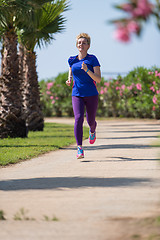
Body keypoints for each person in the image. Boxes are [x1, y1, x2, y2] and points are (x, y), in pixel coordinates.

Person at [66, 33, 101, 159]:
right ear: (77, 45)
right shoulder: (72, 59)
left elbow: (98, 79)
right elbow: (71, 69)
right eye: (79, 42)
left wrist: (87, 70)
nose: (81, 44)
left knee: (90, 120)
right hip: (77, 94)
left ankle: (92, 130)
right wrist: (69, 79)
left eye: (84, 42)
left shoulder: (92, 59)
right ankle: (79, 148)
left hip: (91, 94)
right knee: (78, 118)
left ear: (88, 46)